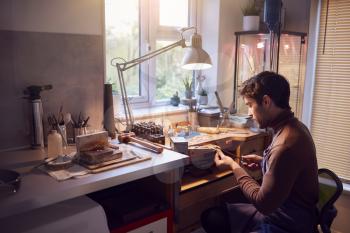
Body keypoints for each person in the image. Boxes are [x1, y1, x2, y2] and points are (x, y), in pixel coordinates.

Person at [201, 71, 319, 233]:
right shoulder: (294, 127)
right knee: (212, 216)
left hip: (287, 223)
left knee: (219, 218)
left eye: (250, 105)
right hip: (282, 211)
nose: (249, 113)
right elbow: (286, 171)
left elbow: (263, 204)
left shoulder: (285, 145)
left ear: (266, 101)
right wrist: (264, 161)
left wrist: (234, 167)